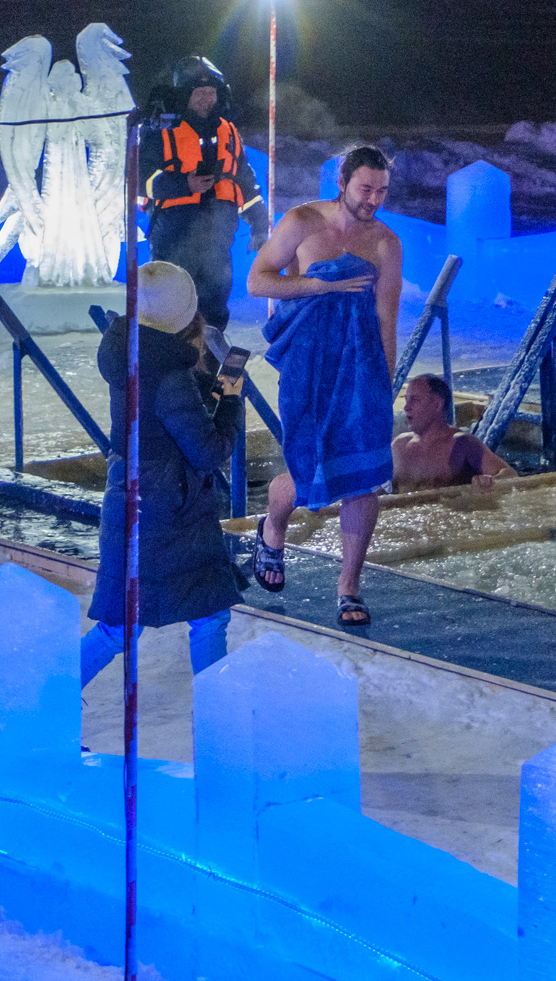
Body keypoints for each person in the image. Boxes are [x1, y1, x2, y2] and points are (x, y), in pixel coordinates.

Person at [247, 145, 402, 627]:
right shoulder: (302, 222)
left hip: (360, 365)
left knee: (364, 475)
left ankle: (349, 586)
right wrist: (317, 286)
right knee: (306, 465)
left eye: (381, 190)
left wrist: (385, 383)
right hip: (308, 363)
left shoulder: (385, 244)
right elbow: (258, 281)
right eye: (365, 189)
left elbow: (386, 318)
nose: (372, 199)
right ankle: (272, 526)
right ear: (343, 181)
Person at [81, 261, 245, 687]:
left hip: (131, 494)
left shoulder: (128, 352)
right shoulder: (169, 375)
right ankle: (217, 719)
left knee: (123, 622)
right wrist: (230, 398)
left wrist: (205, 390)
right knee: (207, 615)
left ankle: (50, 707)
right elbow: (207, 451)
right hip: (170, 510)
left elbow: (162, 421)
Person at [140, 56, 271, 344]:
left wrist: (260, 225)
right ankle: (169, 372)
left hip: (218, 238)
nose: (206, 99)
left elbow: (245, 182)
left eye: (210, 93)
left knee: (213, 312)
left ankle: (208, 374)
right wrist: (183, 184)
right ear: (183, 96)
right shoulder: (159, 131)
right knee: (169, 310)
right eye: (198, 93)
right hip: (174, 237)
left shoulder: (229, 131)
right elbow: (141, 180)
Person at [392, 373, 516, 492]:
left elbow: (511, 475)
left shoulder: (461, 444)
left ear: (437, 405)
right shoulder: (399, 446)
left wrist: (490, 481)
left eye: (415, 400)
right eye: (406, 399)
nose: (406, 407)